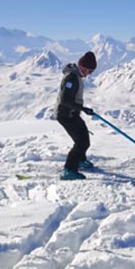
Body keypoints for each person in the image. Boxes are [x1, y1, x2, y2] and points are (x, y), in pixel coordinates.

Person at [57, 51, 98, 180]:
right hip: (65, 115)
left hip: (72, 113)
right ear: (82, 66)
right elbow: (65, 100)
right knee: (81, 142)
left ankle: (80, 160)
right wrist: (83, 109)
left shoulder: (76, 76)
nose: (89, 74)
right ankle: (69, 170)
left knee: (84, 135)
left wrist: (81, 109)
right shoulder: (72, 78)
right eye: (89, 71)